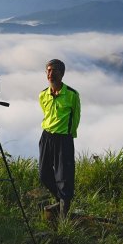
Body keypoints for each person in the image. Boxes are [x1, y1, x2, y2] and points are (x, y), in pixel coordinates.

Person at [39, 59, 81, 219]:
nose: (50, 74)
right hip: (46, 136)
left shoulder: (71, 95)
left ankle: (64, 217)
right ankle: (60, 200)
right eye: (48, 71)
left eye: (54, 71)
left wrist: (69, 135)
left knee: (64, 177)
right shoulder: (43, 95)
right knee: (44, 174)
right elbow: (46, 113)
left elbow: (76, 118)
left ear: (62, 74)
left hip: (64, 138)